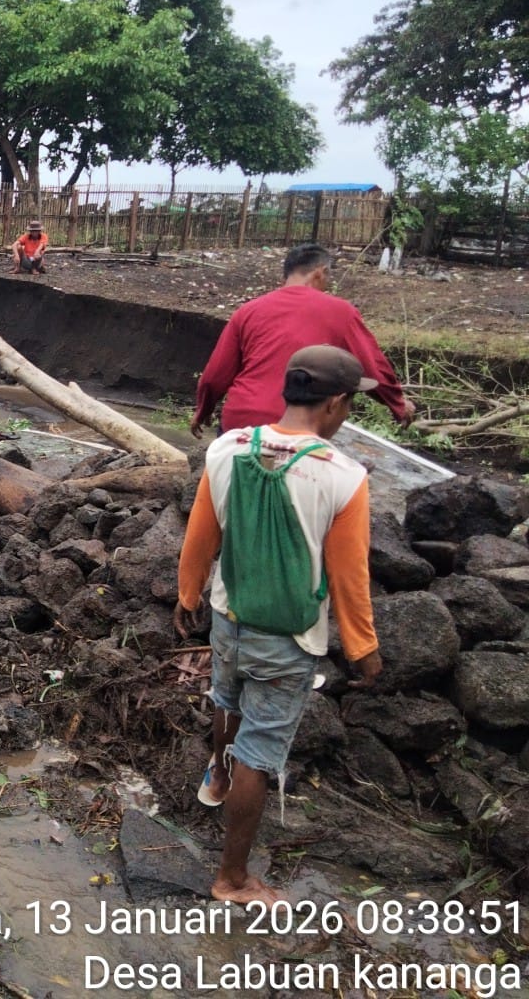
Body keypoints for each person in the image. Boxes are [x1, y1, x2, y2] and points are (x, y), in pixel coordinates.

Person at [175, 345, 384, 907]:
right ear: (335, 403)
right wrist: (362, 646)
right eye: (350, 405)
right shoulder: (344, 477)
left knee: (227, 698)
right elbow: (348, 576)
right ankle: (233, 879)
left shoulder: (227, 447)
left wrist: (188, 592)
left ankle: (218, 776)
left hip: (228, 616)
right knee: (261, 751)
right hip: (288, 639)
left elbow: (202, 532)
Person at [190, 243, 414, 438]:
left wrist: (203, 409)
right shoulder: (341, 312)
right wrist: (397, 403)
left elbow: (216, 374)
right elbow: (371, 365)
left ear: (286, 275)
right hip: (296, 427)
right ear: (320, 273)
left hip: (240, 423)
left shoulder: (248, 311)